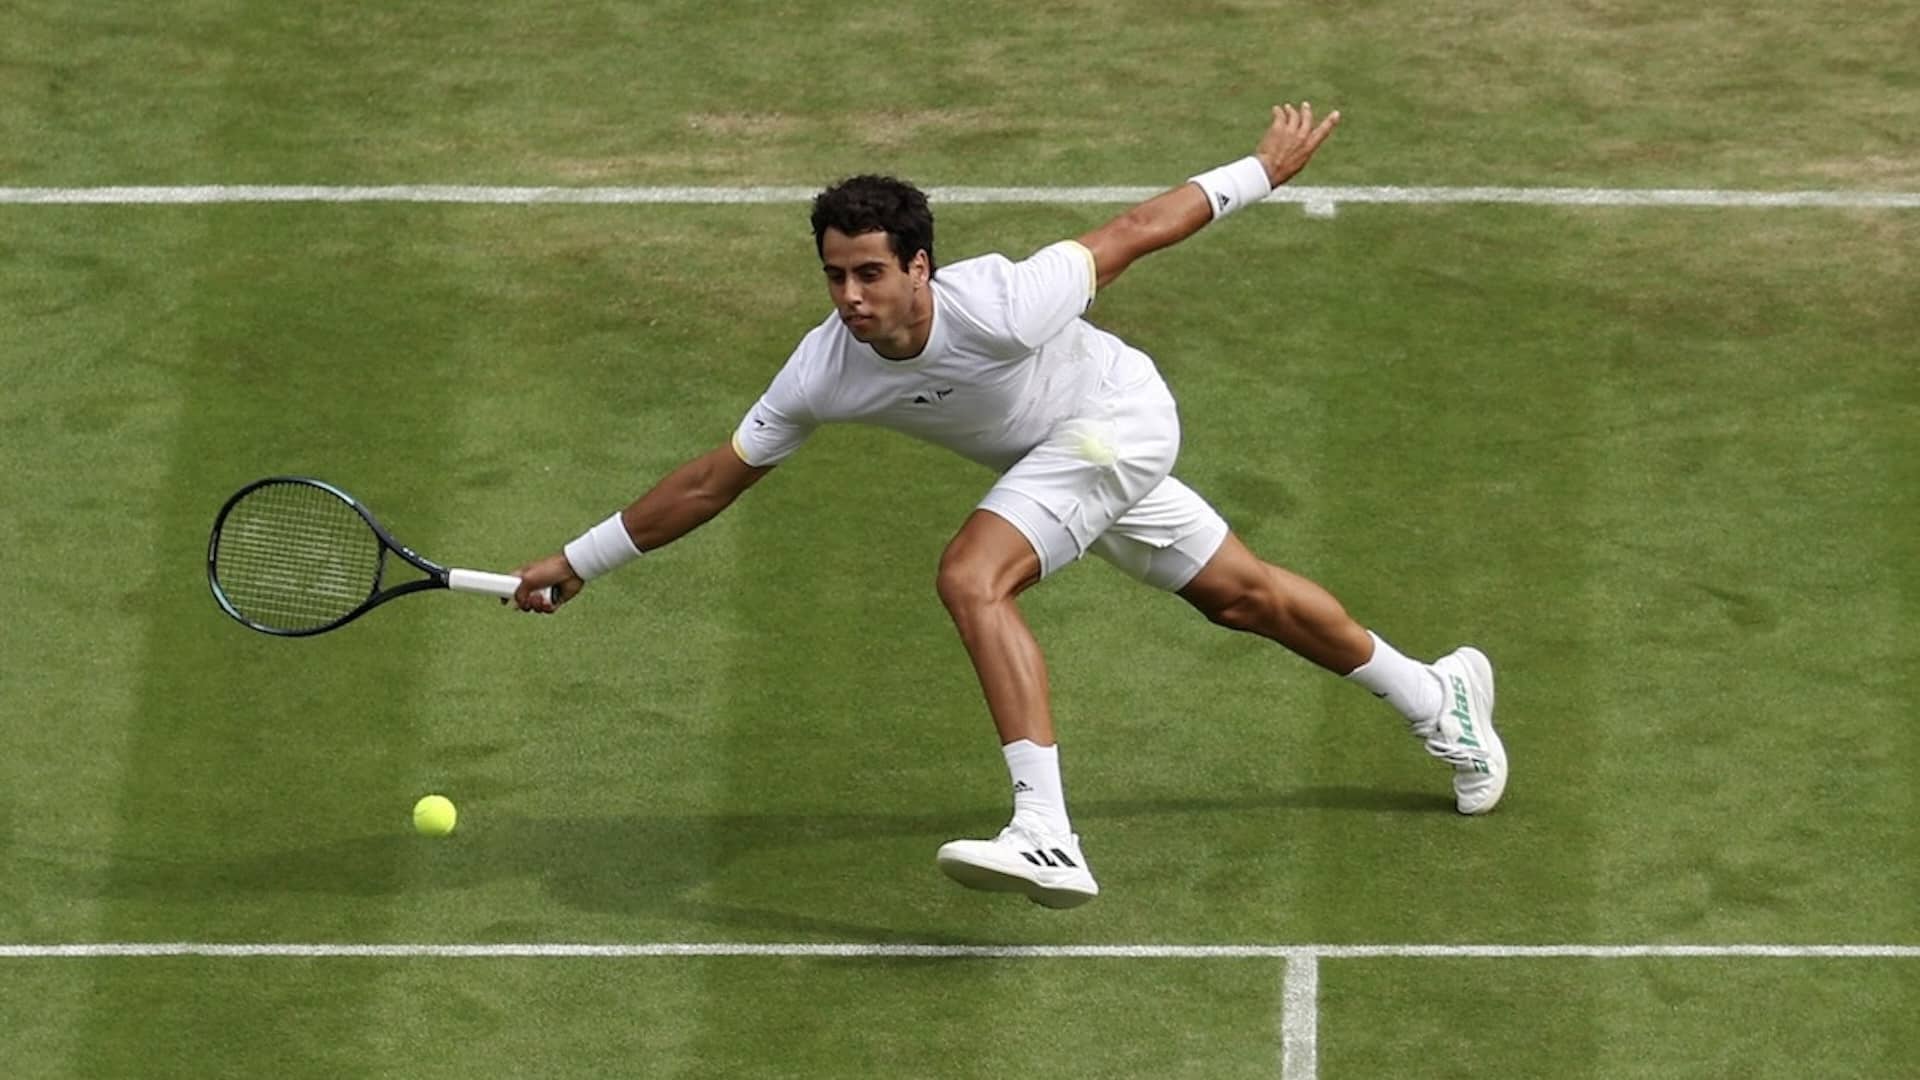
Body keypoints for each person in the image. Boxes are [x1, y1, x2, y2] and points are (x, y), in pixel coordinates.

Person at [510, 102, 1507, 910]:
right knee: (1243, 598)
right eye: (834, 276)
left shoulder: (1005, 302)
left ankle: (1045, 834)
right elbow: (709, 480)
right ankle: (1438, 698)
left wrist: (1261, 171)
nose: (849, 297)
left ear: (917, 268)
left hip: (1117, 418)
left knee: (969, 574)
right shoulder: (821, 370)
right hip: (1060, 458)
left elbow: (1130, 235)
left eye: (868, 273)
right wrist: (579, 559)